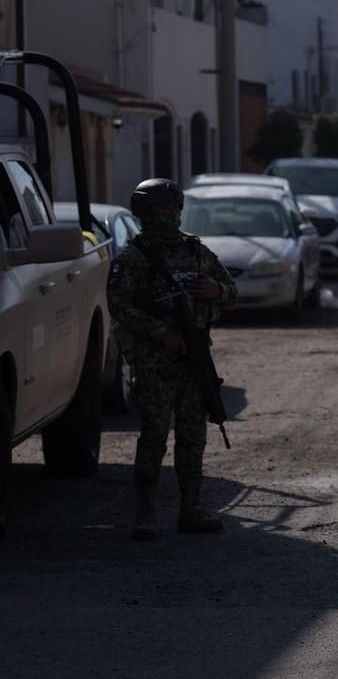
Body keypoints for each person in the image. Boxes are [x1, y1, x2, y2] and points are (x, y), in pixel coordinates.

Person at [108, 178, 238, 541]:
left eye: (174, 210)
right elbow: (119, 304)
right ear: (146, 214)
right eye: (162, 211)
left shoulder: (196, 253)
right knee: (153, 436)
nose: (170, 217)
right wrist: (160, 332)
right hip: (154, 364)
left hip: (194, 362)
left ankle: (190, 508)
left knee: (193, 436)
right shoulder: (134, 258)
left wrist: (217, 291)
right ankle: (145, 515)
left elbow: (230, 292)